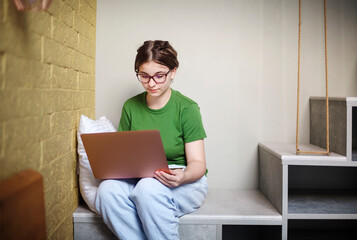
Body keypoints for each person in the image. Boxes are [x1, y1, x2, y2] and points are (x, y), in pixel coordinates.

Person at [95, 40, 208, 240]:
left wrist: (182, 176)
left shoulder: (187, 108)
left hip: (183, 179)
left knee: (148, 189)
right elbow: (124, 156)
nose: (152, 83)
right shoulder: (130, 106)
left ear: (173, 72)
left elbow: (198, 164)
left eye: (159, 76)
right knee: (106, 191)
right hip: (141, 178)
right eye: (144, 76)